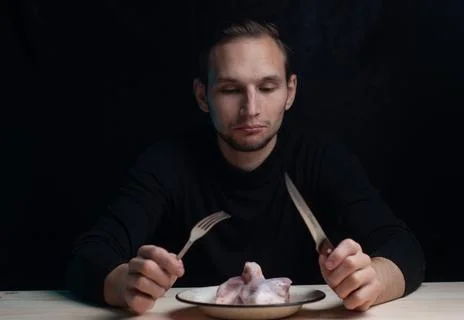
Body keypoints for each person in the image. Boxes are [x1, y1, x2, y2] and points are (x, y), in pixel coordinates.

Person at [66, 18, 425, 314]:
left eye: (267, 87)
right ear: (202, 96)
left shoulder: (323, 159)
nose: (250, 108)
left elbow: (403, 248)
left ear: (290, 91)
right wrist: (122, 283)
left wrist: (373, 280)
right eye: (230, 89)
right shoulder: (167, 163)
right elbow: (88, 255)